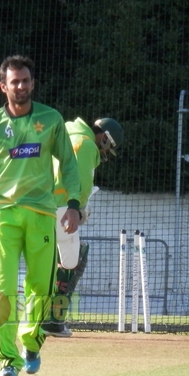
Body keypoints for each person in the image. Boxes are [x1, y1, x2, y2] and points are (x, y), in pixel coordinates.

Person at [0, 55, 81, 376]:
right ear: (3, 87)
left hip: (43, 215)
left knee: (40, 287)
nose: (21, 86)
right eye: (14, 82)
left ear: (33, 83)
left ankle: (31, 341)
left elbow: (70, 165)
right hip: (4, 216)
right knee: (3, 291)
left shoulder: (52, 119)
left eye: (26, 81)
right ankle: (8, 361)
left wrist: (72, 204)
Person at [42, 117, 124, 338]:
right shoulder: (86, 144)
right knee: (74, 262)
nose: (105, 151)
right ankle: (53, 320)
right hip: (62, 207)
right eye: (108, 145)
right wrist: (78, 210)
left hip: (41, 205)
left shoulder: (64, 133)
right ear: (104, 137)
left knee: (47, 263)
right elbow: (81, 182)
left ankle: (40, 316)